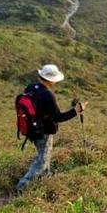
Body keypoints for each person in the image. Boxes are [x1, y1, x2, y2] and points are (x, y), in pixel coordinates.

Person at [16, 64, 87, 193]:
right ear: (51, 80)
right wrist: (75, 111)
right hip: (43, 132)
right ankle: (22, 186)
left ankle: (45, 180)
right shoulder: (48, 95)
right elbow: (57, 117)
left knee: (44, 156)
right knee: (42, 160)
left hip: (33, 130)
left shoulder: (32, 88)